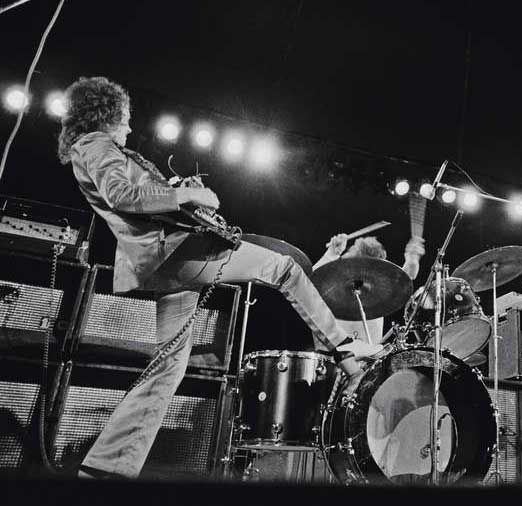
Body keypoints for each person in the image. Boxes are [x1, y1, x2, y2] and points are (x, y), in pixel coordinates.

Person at [58, 76, 376, 479]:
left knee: (166, 369)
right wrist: (188, 196)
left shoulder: (89, 149)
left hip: (165, 266)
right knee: (284, 268)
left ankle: (104, 470)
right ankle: (346, 350)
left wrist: (173, 189)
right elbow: (122, 195)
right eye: (126, 120)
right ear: (109, 114)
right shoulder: (97, 144)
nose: (129, 128)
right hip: (177, 255)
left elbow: (136, 196)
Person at [312, 233, 425, 345]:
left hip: (367, 359)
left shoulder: (380, 285)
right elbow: (308, 283)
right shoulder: (333, 283)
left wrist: (412, 258)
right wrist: (332, 253)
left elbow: (407, 274)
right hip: (331, 356)